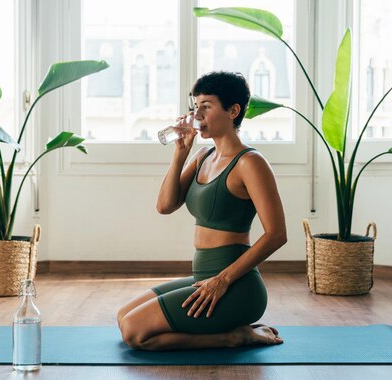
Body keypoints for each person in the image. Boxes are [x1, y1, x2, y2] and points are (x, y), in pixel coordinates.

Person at [117, 71, 287, 351]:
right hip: (203, 277)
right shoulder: (202, 157)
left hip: (235, 286)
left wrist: (222, 280)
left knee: (134, 332)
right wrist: (180, 153)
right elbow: (165, 206)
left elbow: (277, 234)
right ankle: (234, 332)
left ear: (233, 111)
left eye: (206, 107)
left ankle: (235, 337)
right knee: (123, 316)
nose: (198, 115)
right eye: (196, 107)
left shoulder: (250, 163)